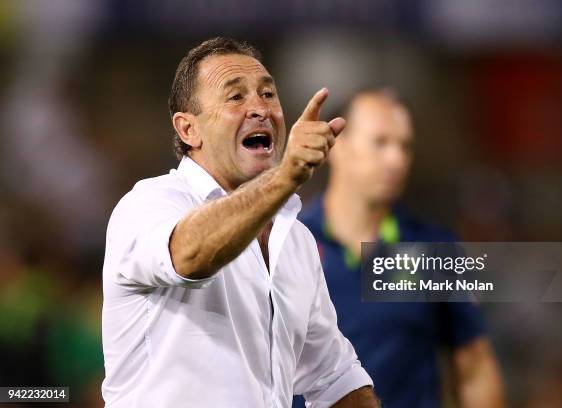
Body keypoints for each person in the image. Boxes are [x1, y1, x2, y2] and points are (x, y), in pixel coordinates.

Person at [101, 37, 380, 408]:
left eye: (267, 94)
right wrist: (286, 176)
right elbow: (188, 256)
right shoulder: (148, 204)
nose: (260, 109)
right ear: (188, 130)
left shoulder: (294, 238)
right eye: (235, 97)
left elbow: (334, 378)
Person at [299, 89, 505, 408]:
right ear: (337, 147)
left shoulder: (434, 251)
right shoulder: (292, 242)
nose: (396, 159)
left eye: (404, 146)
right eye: (380, 142)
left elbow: (474, 367)